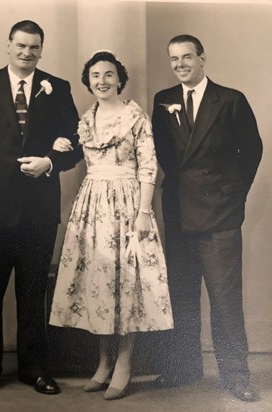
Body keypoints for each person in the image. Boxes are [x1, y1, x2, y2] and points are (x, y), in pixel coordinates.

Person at [0, 20, 79, 397]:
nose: (27, 53)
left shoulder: (58, 88)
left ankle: (34, 368)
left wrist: (51, 162)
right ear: (8, 46)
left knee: (33, 293)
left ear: (41, 49)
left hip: (38, 211)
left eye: (34, 47)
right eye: (21, 46)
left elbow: (77, 139)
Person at [49, 51, 173, 401]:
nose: (101, 81)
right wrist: (58, 144)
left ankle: (125, 361)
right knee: (98, 283)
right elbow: (73, 153)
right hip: (92, 204)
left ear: (120, 79)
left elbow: (149, 167)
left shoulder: (135, 117)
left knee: (128, 283)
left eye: (108, 74)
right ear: (87, 82)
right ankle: (103, 361)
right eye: (94, 76)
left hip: (128, 203)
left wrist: (143, 213)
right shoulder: (86, 119)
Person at [151, 34, 262, 402]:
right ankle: (183, 370)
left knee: (225, 299)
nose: (180, 64)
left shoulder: (230, 100)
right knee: (181, 296)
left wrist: (230, 196)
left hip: (219, 217)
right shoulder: (163, 100)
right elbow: (163, 153)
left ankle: (236, 376)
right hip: (179, 213)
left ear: (202, 58)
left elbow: (252, 151)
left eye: (187, 57)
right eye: (174, 59)